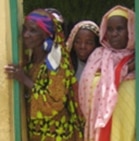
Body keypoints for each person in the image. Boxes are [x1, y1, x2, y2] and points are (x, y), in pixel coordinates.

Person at [4, 8, 83, 141]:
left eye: (33, 31)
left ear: (46, 34)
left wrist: (24, 79)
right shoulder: (30, 61)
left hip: (56, 133)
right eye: (25, 29)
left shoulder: (56, 61)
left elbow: (54, 102)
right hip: (36, 133)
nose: (26, 35)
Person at [78, 5, 135, 141]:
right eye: (110, 29)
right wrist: (125, 70)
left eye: (119, 29)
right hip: (96, 124)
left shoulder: (137, 59)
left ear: (130, 31)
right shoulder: (98, 56)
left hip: (125, 122)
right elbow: (85, 86)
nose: (114, 34)